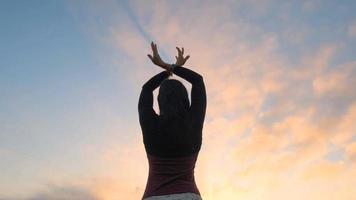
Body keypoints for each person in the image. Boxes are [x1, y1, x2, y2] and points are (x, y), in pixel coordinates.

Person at [138, 42, 207, 200]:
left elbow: (146, 89)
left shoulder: (151, 126)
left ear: (160, 101)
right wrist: (172, 66)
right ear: (185, 99)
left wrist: (165, 68)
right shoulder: (193, 124)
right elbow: (198, 81)